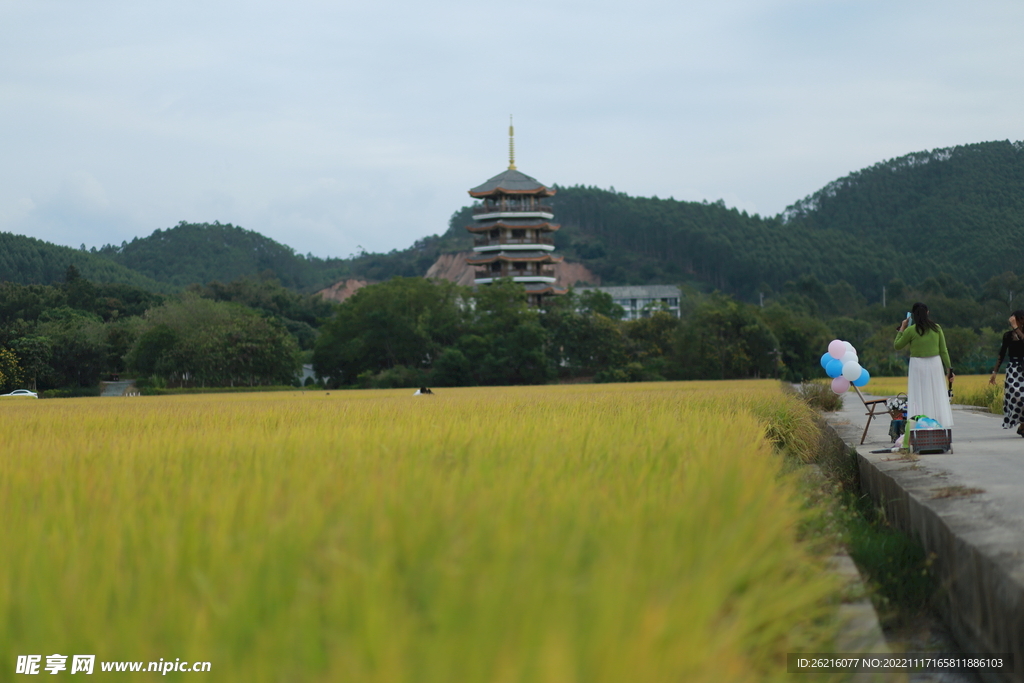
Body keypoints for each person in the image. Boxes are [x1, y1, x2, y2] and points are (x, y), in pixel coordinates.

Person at [894, 302, 954, 429]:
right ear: (927, 313)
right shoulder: (936, 328)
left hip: (917, 364)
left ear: (913, 316)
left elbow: (897, 345)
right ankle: (938, 422)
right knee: (935, 392)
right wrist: (949, 369)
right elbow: (944, 350)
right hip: (935, 363)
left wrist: (902, 328)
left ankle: (919, 423)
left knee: (919, 394)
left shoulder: (910, 331)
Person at [989, 309, 1024, 436]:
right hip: (1014, 368)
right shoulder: (1008, 335)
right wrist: (994, 372)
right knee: (1017, 396)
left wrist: (1016, 328)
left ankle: (1022, 425)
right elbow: (1002, 354)